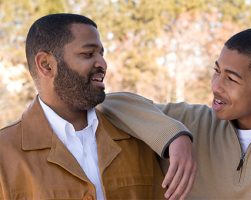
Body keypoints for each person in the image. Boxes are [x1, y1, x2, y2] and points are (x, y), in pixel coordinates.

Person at [0, 13, 195, 200]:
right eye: (88, 54)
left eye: (101, 53)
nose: (102, 63)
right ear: (46, 64)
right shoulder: (4, 153)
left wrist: (179, 137)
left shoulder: (135, 138)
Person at [101, 27, 251, 199]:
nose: (216, 86)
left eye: (231, 79)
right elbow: (110, 103)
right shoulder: (193, 122)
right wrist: (176, 137)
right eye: (217, 71)